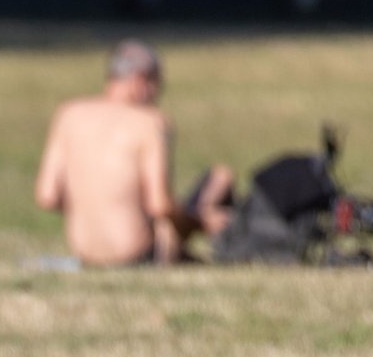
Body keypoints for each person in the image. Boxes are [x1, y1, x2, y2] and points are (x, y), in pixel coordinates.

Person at [34, 40, 235, 265]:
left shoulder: (68, 115)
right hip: (137, 253)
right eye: (157, 85)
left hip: (86, 255)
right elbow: (158, 204)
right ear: (141, 80)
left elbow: (47, 197)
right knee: (221, 177)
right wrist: (199, 221)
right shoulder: (150, 123)